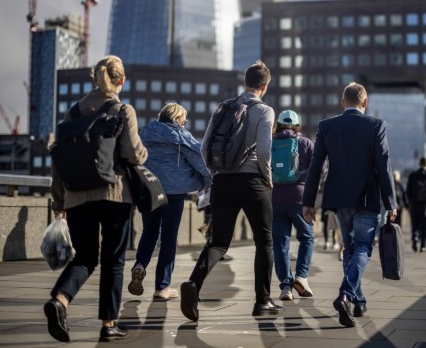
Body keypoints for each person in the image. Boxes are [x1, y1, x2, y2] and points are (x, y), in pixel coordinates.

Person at [45, 55, 147, 342]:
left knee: (85, 257)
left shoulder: (72, 113)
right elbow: (132, 153)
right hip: (113, 193)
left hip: (76, 197)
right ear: (121, 80)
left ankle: (59, 301)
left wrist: (59, 202)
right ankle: (108, 324)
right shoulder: (122, 110)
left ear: (94, 78)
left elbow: (60, 161)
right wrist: (144, 153)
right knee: (113, 260)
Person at [180, 60, 281, 321]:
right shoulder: (265, 111)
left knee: (219, 242)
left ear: (245, 82)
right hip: (253, 182)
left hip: (223, 181)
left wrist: (215, 174)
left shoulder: (223, 107)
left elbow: (204, 148)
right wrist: (267, 177)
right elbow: (263, 150)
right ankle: (262, 301)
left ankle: (193, 284)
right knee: (265, 241)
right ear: (265, 86)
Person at [303, 82, 397, 328]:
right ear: (365, 103)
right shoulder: (376, 125)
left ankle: (358, 300)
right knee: (363, 247)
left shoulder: (327, 126)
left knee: (349, 248)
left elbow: (316, 167)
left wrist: (309, 202)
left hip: (340, 198)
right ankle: (346, 295)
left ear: (343, 102)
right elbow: (384, 166)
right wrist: (391, 202)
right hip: (367, 198)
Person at [127, 103, 212, 301]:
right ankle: (162, 287)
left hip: (149, 190)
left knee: (149, 231)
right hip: (173, 193)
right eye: (184, 120)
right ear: (178, 119)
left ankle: (140, 265)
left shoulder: (145, 133)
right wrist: (208, 182)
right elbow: (201, 161)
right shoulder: (181, 136)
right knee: (169, 236)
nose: (185, 123)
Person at [271, 110, 315, 301]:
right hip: (299, 199)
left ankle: (285, 287)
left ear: (278, 124)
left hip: (275, 199)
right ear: (297, 125)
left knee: (281, 244)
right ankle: (301, 276)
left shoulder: (271, 142)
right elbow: (320, 167)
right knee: (307, 237)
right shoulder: (304, 143)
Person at [406, 157, 426, 252]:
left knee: (415, 223)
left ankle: (415, 236)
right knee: (424, 226)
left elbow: (408, 190)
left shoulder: (413, 175)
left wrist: (410, 201)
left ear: (419, 164)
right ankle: (423, 246)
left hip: (415, 204)